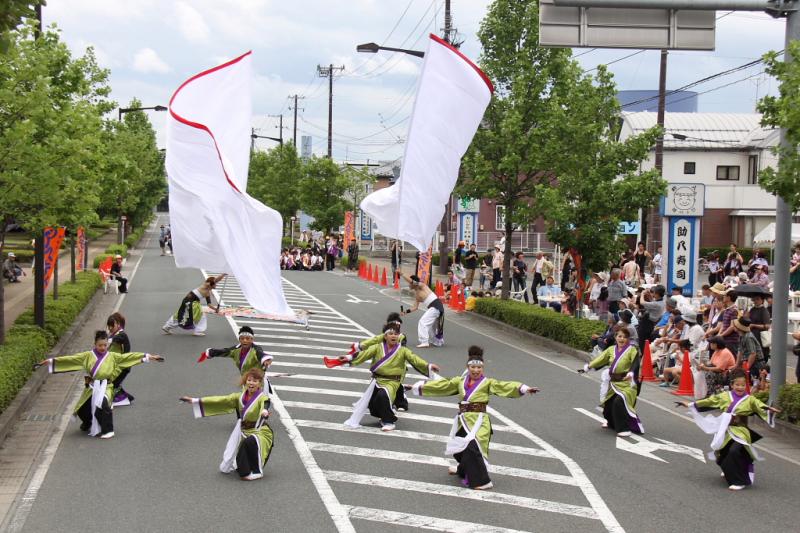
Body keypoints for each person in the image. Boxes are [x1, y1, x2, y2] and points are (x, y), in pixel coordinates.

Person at [407, 346, 538, 490]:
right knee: (461, 448)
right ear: (468, 368)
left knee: (473, 447)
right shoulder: (460, 381)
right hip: (463, 420)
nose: (476, 370)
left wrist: (524, 388)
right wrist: (416, 387)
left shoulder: (488, 383)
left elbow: (504, 386)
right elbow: (442, 386)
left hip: (479, 421)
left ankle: (482, 481)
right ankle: (463, 469)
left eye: (479, 367)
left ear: (483, 368)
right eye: (473, 367)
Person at [37, 330, 164, 438]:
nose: (103, 348)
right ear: (95, 344)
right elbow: (71, 359)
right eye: (100, 345)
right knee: (82, 409)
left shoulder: (113, 356)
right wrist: (51, 361)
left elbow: (128, 357)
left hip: (106, 386)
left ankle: (107, 430)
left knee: (103, 403)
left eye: (105, 345)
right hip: (92, 386)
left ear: (107, 344)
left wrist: (148, 356)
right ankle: (88, 422)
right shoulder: (87, 356)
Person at [677, 369, 780, 491]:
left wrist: (769, 410)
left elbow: (760, 406)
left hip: (741, 431)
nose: (740, 387)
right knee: (722, 454)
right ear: (732, 385)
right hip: (725, 430)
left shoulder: (750, 399)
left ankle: (739, 481)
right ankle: (729, 470)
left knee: (734, 451)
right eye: (737, 384)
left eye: (743, 385)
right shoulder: (725, 396)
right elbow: (710, 401)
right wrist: (689, 404)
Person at [339, 323, 440, 432]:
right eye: (391, 334)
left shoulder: (403, 350)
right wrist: (348, 357)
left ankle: (388, 421)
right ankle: (383, 416)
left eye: (396, 334)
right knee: (374, 403)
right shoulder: (377, 347)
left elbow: (415, 359)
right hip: (377, 380)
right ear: (385, 336)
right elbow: (364, 354)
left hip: (392, 381)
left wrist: (428, 366)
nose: (393, 336)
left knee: (383, 395)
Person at [180, 368, 274, 481]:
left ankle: (257, 472)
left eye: (255, 381)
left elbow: (265, 403)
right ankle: (245, 469)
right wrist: (195, 401)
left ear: (259, 383)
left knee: (250, 442)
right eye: (249, 380)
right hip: (244, 431)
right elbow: (220, 400)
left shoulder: (262, 397)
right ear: (245, 381)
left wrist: (264, 411)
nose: (251, 383)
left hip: (260, 432)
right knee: (241, 455)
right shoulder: (239, 397)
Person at [580, 328, 643, 437]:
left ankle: (624, 428)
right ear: (615, 337)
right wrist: (588, 367)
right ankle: (612, 423)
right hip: (613, 383)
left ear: (628, 339)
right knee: (607, 407)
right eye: (619, 336)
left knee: (619, 402)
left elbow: (636, 362)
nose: (622, 339)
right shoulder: (611, 349)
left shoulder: (632, 349)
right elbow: (601, 359)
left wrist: (631, 373)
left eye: (624, 337)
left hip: (627, 383)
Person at [199, 325, 273, 389]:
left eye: (247, 338)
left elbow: (261, 354)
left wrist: (266, 360)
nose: (245, 341)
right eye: (242, 338)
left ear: (252, 339)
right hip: (247, 381)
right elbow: (225, 351)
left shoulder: (255, 349)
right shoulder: (236, 350)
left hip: (258, 383)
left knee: (257, 400)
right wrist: (211, 352)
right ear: (239, 339)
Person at [162, 273, 226, 336]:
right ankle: (197, 331)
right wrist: (223, 274)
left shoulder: (207, 292)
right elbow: (216, 280)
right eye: (215, 284)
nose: (216, 285)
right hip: (191, 303)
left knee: (180, 314)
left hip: (187, 300)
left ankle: (167, 327)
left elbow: (209, 304)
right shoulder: (205, 286)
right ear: (211, 283)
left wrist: (216, 309)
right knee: (200, 316)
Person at [401, 271, 445, 348]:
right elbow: (415, 307)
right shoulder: (417, 294)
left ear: (413, 283)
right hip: (434, 308)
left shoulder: (421, 285)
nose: (409, 285)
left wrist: (401, 274)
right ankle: (437, 341)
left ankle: (424, 341)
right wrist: (405, 312)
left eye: (410, 283)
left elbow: (411, 281)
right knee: (431, 327)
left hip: (435, 306)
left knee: (423, 322)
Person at [107, 313, 135, 406]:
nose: (110, 328)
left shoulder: (122, 334)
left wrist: (108, 341)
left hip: (123, 366)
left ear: (118, 324)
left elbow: (116, 339)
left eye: (112, 325)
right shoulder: (114, 334)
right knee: (115, 383)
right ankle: (126, 398)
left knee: (114, 383)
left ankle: (123, 399)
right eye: (109, 325)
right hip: (118, 365)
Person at [734, 318, 765, 382]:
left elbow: (753, 354)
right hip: (748, 362)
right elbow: (740, 351)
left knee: (752, 382)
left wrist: (746, 368)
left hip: (756, 364)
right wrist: (736, 365)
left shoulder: (748, 337)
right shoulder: (741, 336)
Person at [746, 293, 771, 363]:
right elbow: (748, 320)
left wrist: (754, 325)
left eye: (757, 299)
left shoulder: (764, 311)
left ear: (762, 300)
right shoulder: (752, 309)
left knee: (760, 356)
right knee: (752, 353)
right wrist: (746, 316)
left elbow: (767, 326)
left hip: (760, 336)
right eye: (754, 299)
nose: (755, 301)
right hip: (752, 335)